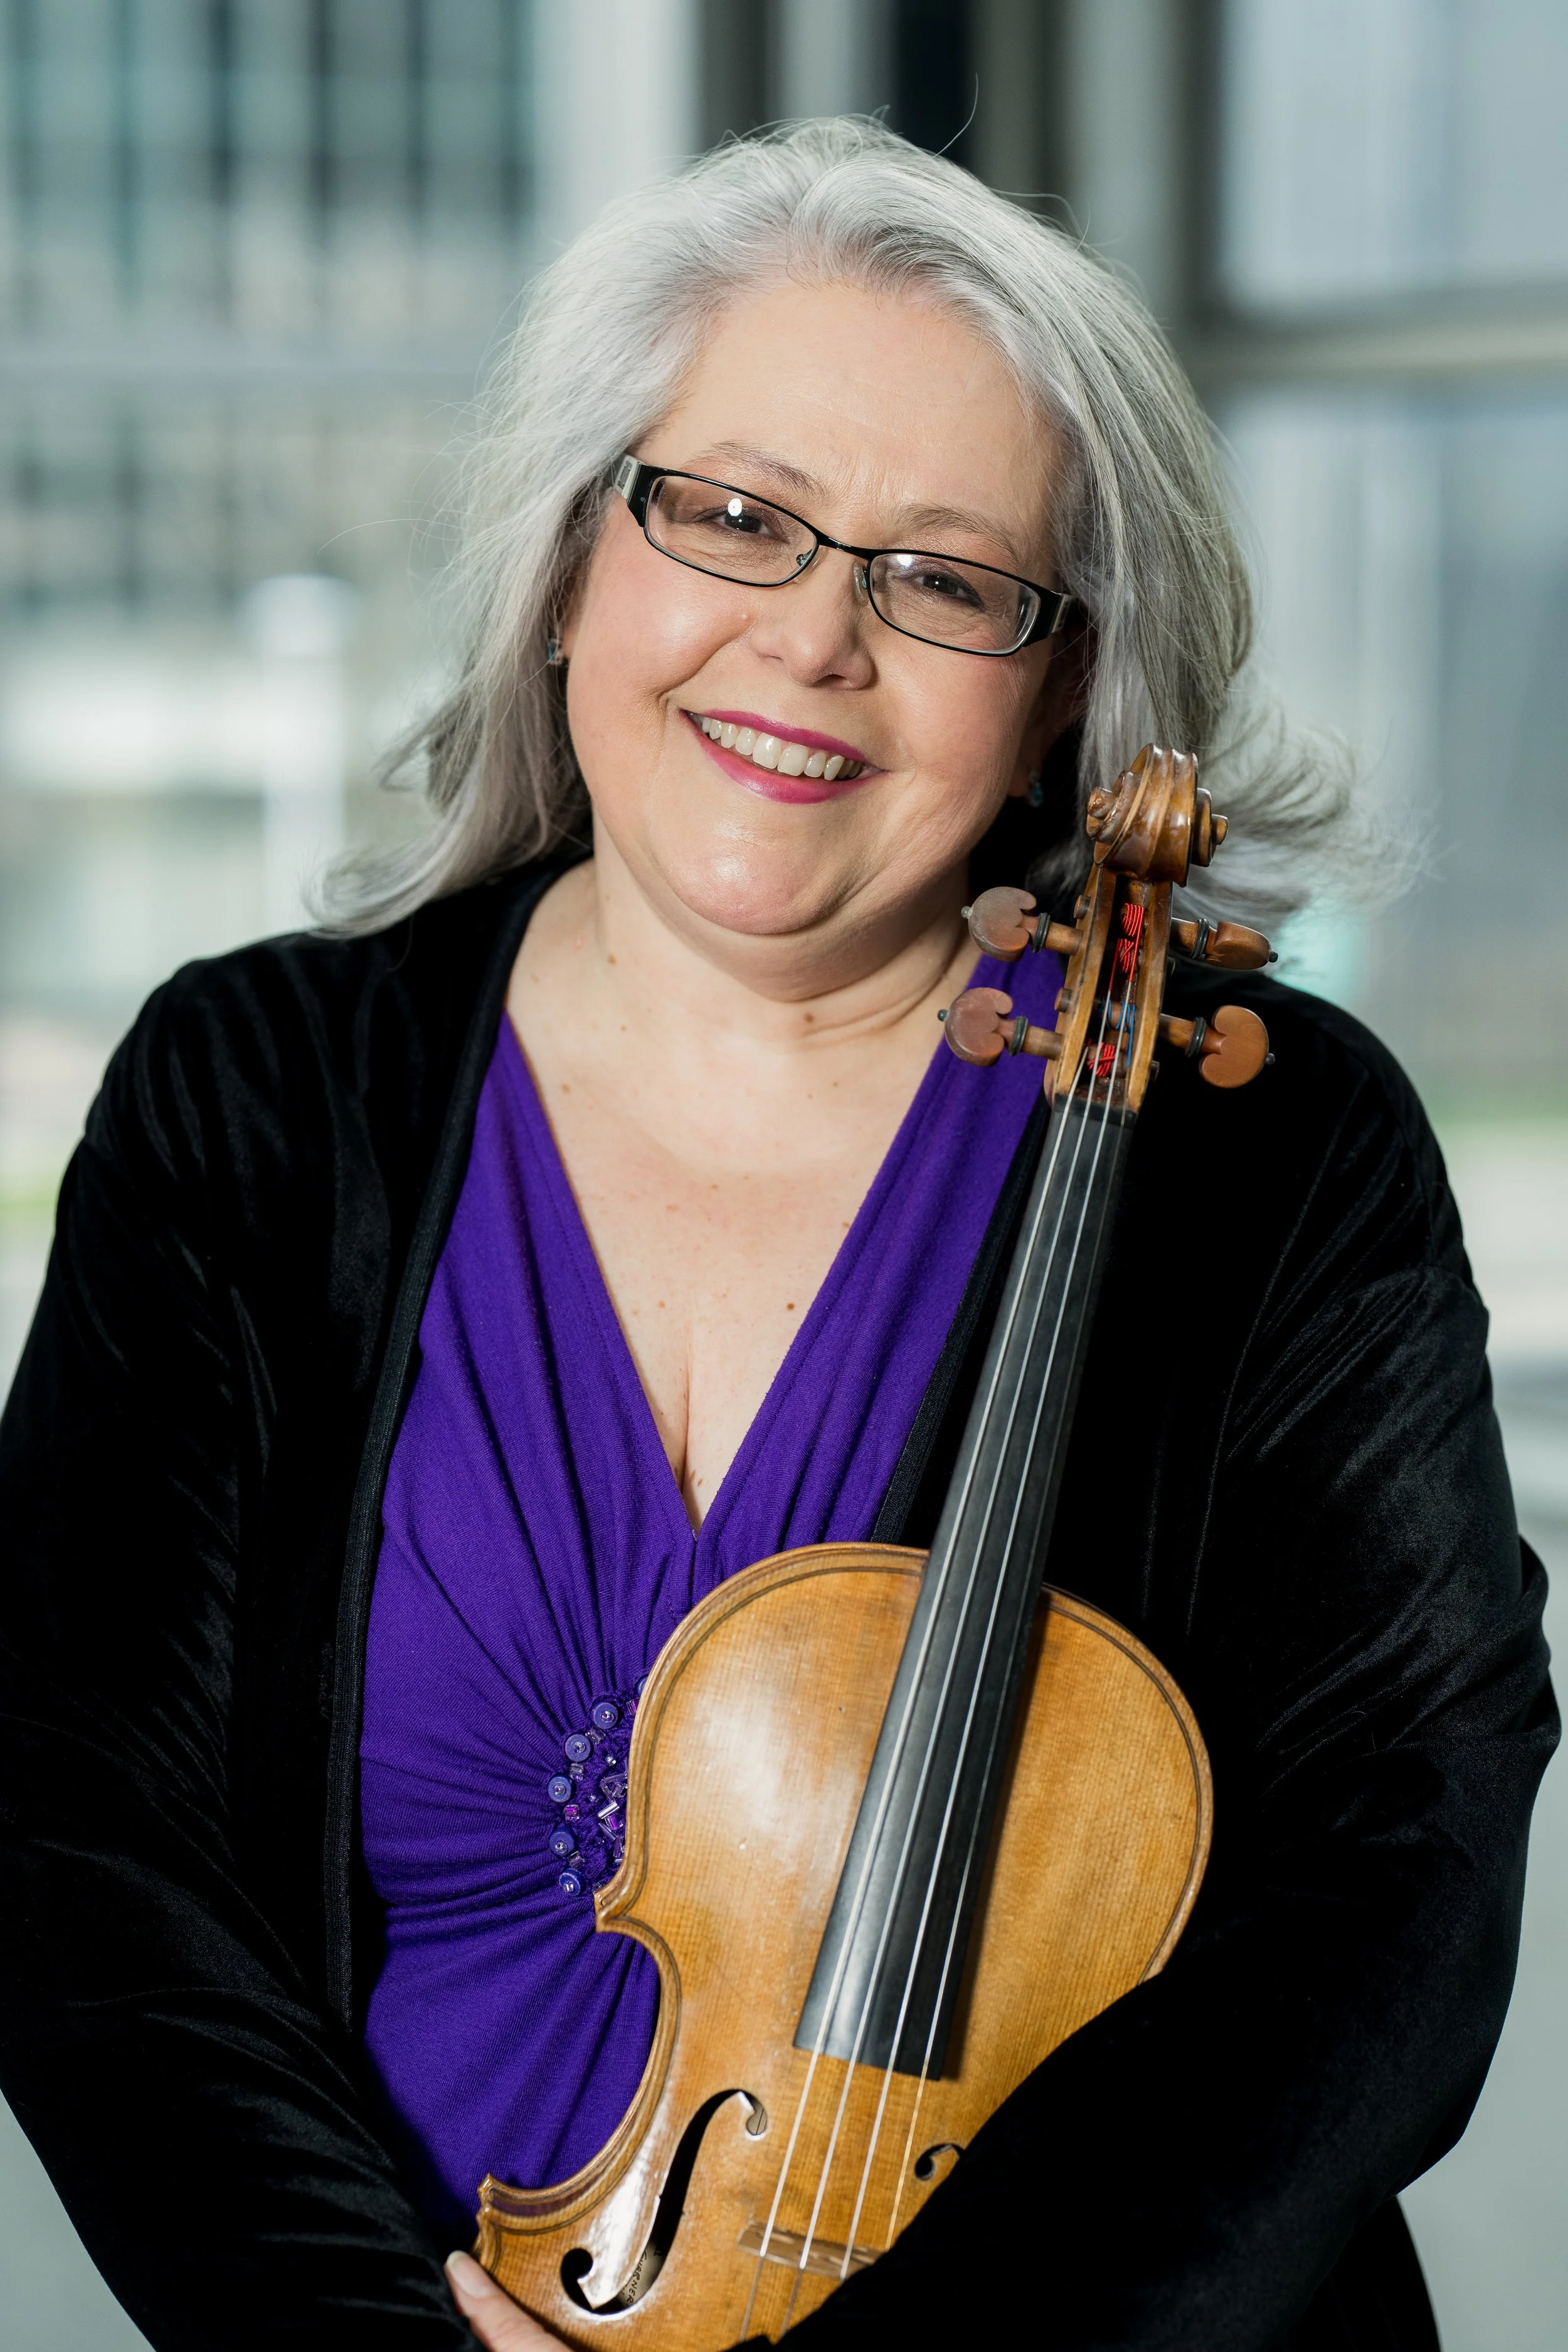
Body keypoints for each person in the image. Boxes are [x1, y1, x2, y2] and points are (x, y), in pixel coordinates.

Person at [0, 120, 1554, 2352]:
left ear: (1056, 679)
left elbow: (1386, 1885)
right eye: (727, 513)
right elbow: (84, 1852)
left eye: (943, 577)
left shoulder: (1271, 1151)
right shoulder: (255, 1100)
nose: (809, 637)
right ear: (569, 565)